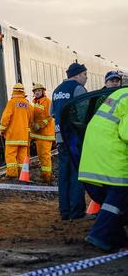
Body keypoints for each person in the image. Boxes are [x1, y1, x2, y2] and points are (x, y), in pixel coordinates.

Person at [78, 87, 128, 251]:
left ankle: (117, 238)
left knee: (113, 200)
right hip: (111, 156)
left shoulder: (121, 94)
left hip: (94, 157)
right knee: (121, 193)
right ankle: (99, 234)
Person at [51, 62, 88, 220]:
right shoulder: (77, 88)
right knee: (76, 174)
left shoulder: (56, 90)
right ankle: (77, 212)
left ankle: (64, 211)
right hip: (73, 137)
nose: (86, 78)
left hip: (60, 136)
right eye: (85, 75)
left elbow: (52, 112)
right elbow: (84, 111)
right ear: (78, 74)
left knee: (64, 175)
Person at [0, 83, 33, 179]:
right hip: (24, 136)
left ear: (14, 91)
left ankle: (11, 174)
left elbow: (6, 117)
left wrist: (2, 129)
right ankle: (22, 174)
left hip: (12, 135)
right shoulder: (28, 104)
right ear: (23, 92)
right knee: (22, 156)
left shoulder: (12, 102)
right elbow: (31, 120)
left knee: (10, 155)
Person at [30, 83, 55, 183]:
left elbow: (49, 116)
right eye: (35, 91)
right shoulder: (35, 103)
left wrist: (40, 125)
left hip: (46, 134)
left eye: (39, 91)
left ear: (43, 92)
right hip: (38, 135)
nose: (37, 93)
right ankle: (44, 175)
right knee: (41, 156)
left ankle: (47, 177)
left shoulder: (47, 102)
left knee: (45, 156)